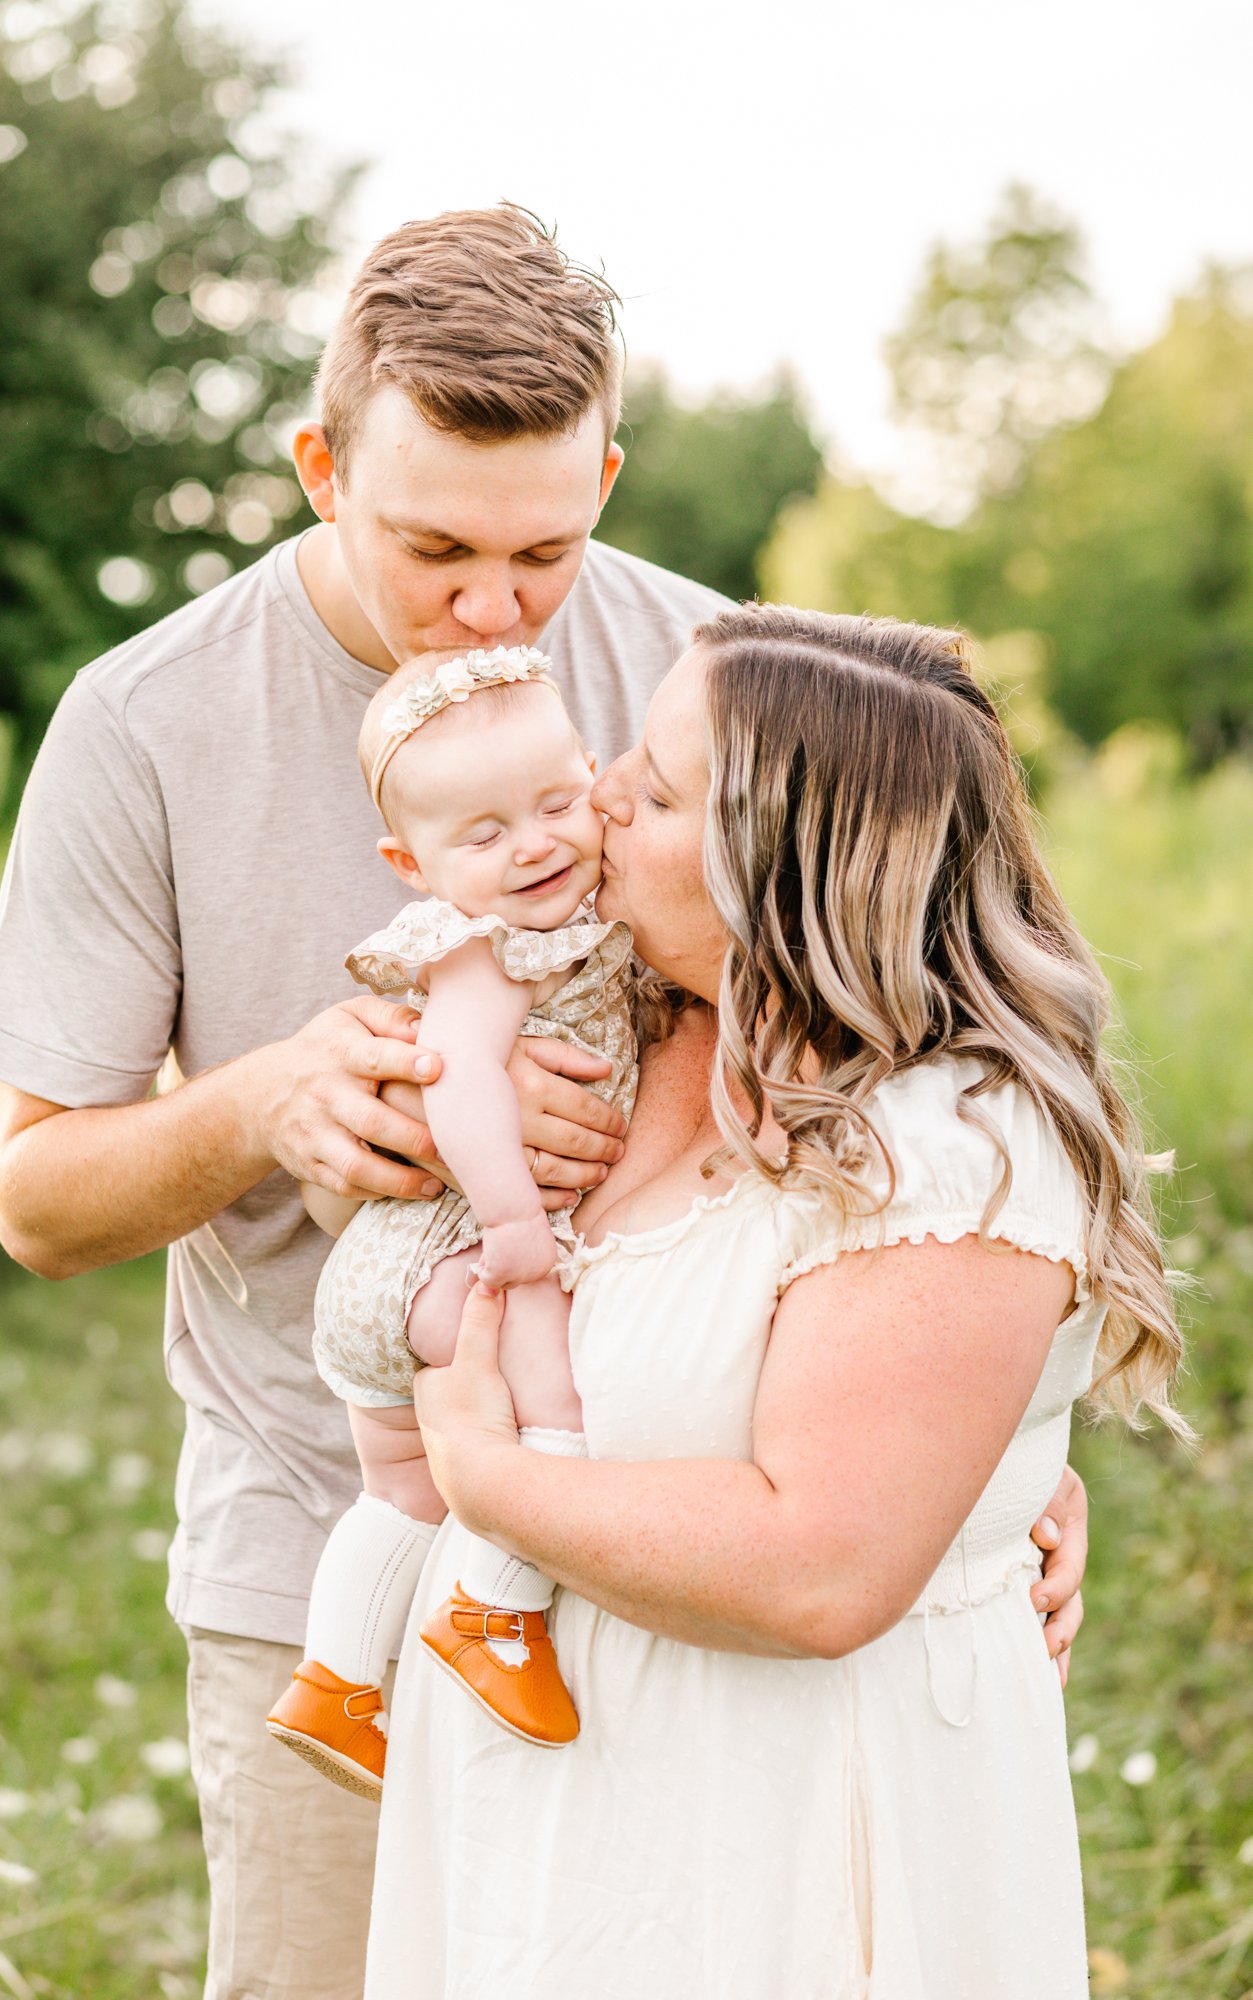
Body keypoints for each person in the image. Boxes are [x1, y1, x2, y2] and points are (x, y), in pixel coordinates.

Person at [0, 205, 1086, 1995]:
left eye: (546, 551)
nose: (495, 612)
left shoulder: (705, 677)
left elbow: (906, 1097)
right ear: (320, 467)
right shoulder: (143, 722)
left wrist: (984, 1456)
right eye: (435, 549)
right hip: (327, 1527)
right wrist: (271, 1101)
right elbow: (36, 1206)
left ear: (609, 479)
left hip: (675, 1540)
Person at [364, 606, 1181, 1998]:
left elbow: (820, 1569)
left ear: (785, 872)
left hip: (773, 1832)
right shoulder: (600, 1027)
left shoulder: (951, 1137)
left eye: (662, 789)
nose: (602, 793)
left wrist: (479, 1476)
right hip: (549, 1825)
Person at [267, 643, 638, 1794]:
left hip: (371, 1284)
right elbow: (462, 1075)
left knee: (400, 1489)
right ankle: (496, 1608)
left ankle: (333, 1682)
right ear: (409, 864)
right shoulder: (485, 947)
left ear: (593, 772)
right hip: (450, 1253)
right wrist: (513, 1220)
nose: (530, 843)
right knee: (554, 1399)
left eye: (554, 803)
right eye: (480, 835)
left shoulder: (568, 906)